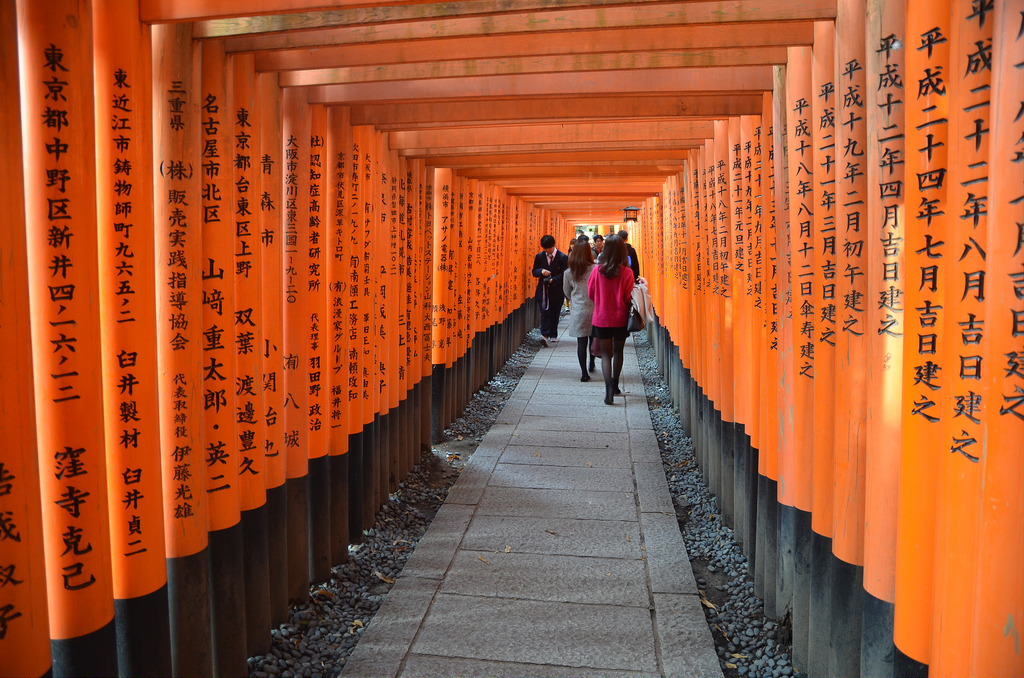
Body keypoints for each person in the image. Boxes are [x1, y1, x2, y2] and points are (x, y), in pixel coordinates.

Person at [587, 234, 634, 404]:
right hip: (620, 319)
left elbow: (590, 293)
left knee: (606, 355)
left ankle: (607, 390)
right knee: (618, 352)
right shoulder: (627, 272)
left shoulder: (597, 270)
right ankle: (615, 385)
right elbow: (629, 298)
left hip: (601, 318)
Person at [563, 237, 597, 381]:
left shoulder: (569, 272)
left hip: (578, 309)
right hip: (595, 308)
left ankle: (584, 373)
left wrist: (575, 298)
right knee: (593, 338)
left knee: (581, 342)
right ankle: (592, 362)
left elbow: (566, 291)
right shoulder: (595, 269)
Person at [532, 234, 568, 347]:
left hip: (557, 290)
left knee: (555, 312)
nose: (547, 251)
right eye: (545, 249)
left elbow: (565, 274)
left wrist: (554, 279)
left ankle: (553, 334)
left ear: (553, 245)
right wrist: (541, 271)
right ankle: (545, 335)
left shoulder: (562, 257)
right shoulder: (539, 256)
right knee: (544, 312)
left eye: (549, 248)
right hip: (543, 290)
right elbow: (534, 271)